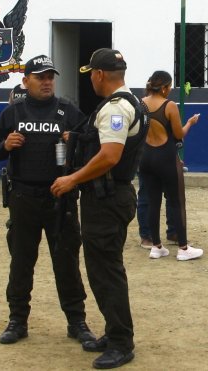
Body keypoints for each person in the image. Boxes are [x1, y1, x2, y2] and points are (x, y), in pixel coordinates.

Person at [0, 55, 97, 347]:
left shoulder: (68, 110)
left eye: (50, 77)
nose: (47, 82)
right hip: (24, 198)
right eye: (40, 77)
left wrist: (75, 140)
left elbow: (91, 146)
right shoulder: (13, 113)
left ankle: (77, 322)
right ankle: (17, 321)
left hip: (60, 200)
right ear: (26, 81)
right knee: (21, 261)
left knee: (67, 262)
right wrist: (5, 144)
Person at [51, 48, 147, 370]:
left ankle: (121, 342)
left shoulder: (116, 108)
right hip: (109, 197)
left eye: (91, 72)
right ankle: (114, 331)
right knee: (103, 270)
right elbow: (102, 144)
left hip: (106, 200)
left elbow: (110, 156)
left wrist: (72, 180)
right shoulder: (129, 103)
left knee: (106, 272)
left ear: (100, 75)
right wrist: (77, 138)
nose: (90, 77)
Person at [138, 71, 203, 261]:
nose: (171, 90)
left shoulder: (141, 103)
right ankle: (183, 247)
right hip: (165, 157)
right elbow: (178, 134)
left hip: (146, 157)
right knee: (175, 201)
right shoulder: (170, 106)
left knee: (152, 202)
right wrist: (190, 122)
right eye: (170, 86)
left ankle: (156, 246)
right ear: (165, 87)